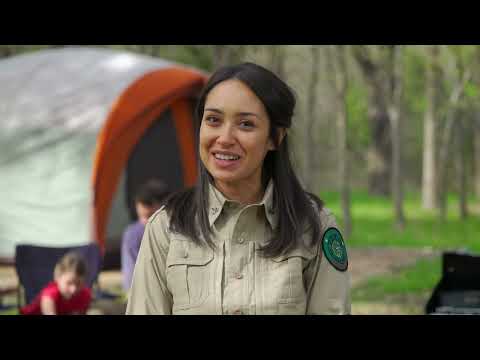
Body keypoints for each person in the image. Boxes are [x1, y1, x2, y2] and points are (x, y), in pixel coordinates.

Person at [126, 62, 351, 315]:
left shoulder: (315, 226)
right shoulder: (167, 227)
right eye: (213, 120)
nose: (224, 138)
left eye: (246, 124)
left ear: (275, 137)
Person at [121, 179, 170, 292]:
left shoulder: (175, 229)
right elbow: (131, 272)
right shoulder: (134, 233)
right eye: (142, 217)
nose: (145, 222)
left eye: (149, 216)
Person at [20, 252, 92, 315]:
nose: (73, 289)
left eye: (79, 284)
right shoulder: (49, 295)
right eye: (69, 283)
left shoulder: (85, 295)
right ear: (58, 277)